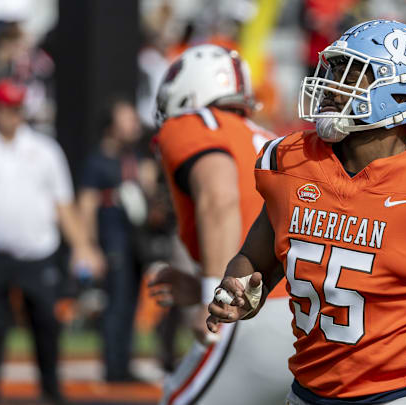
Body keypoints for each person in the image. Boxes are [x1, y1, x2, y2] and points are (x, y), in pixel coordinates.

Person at [207, 20, 406, 405]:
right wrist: (240, 294)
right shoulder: (290, 162)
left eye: (351, 75)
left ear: (400, 95)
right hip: (309, 391)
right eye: (332, 71)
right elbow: (256, 258)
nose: (329, 85)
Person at [148, 44, 294, 405]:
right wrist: (202, 285)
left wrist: (214, 294)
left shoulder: (196, 123)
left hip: (255, 317)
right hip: (309, 317)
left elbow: (220, 198)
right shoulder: (267, 139)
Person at [0, 79, 103, 405]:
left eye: (17, 109)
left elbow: (63, 205)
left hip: (38, 252)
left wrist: (82, 247)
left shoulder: (45, 150)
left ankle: (51, 389)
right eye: (5, 108)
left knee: (47, 322)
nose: (11, 116)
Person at [77, 97, 159, 382]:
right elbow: (86, 206)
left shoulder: (136, 159)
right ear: (111, 126)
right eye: (126, 119)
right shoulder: (98, 161)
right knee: (116, 303)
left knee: (131, 303)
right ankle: (113, 367)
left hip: (136, 242)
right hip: (112, 240)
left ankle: (124, 362)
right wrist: (88, 247)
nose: (134, 124)